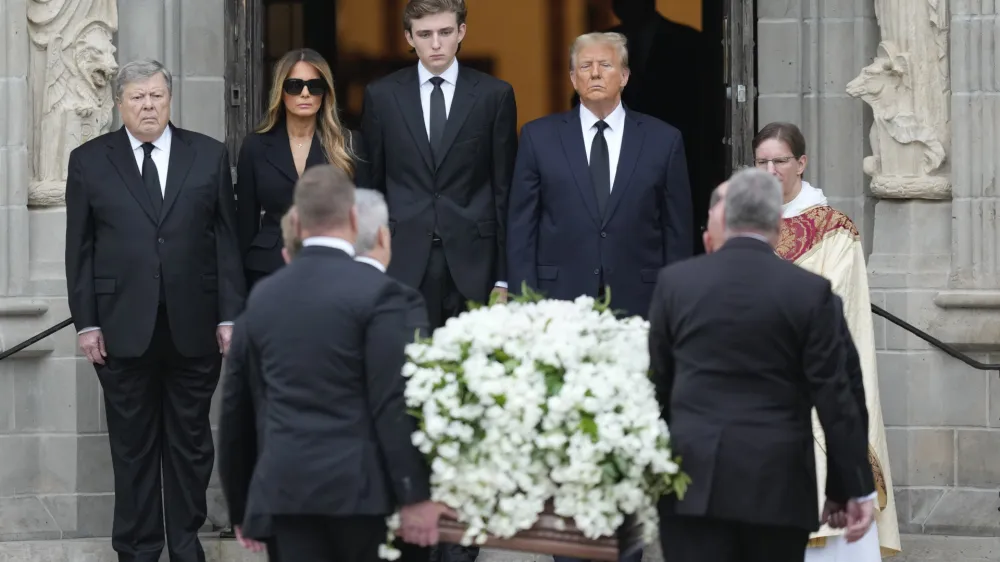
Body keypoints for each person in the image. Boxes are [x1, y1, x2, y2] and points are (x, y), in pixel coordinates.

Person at [218, 164, 452, 562]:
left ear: (296, 221)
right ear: (354, 217)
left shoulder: (262, 298)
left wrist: (243, 507)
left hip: (285, 494)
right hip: (364, 496)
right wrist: (414, 494)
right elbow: (393, 400)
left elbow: (236, 407)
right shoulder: (386, 295)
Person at [64, 59, 245, 562]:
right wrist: (87, 322)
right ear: (119, 103)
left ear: (170, 99)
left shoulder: (208, 155)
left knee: (190, 446)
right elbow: (78, 250)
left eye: (157, 96)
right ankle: (139, 550)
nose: (148, 105)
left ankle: (186, 547)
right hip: (121, 330)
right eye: (138, 97)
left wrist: (229, 316)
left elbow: (227, 245)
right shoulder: (89, 160)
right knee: (133, 448)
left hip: (195, 328)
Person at [647, 168, 875, 562]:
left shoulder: (675, 284)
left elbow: (659, 383)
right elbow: (839, 395)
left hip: (693, 481)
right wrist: (847, 487)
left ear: (726, 218)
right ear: (777, 224)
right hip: (779, 486)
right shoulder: (811, 293)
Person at [753, 122, 900, 561]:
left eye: (780, 160)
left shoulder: (833, 229)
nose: (771, 170)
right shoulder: (742, 224)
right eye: (762, 162)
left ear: (801, 163)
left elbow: (838, 307)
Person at [507, 31, 692, 319]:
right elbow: (522, 227)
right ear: (572, 78)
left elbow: (677, 231)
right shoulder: (538, 137)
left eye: (605, 65)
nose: (595, 74)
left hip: (641, 301)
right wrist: (523, 304)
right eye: (585, 66)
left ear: (624, 76)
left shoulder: (664, 141)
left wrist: (675, 303)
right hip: (556, 302)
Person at [362, 0, 518, 333]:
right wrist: (369, 266)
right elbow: (370, 188)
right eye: (425, 34)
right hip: (402, 258)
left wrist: (505, 275)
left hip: (477, 260)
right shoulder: (381, 96)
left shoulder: (495, 96)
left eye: (445, 32)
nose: (436, 44)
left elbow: (505, 189)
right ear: (408, 37)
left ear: (461, 31)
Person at [236, 48, 369, 290]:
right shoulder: (255, 146)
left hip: (333, 272)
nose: (305, 93)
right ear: (281, 91)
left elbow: (363, 219)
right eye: (295, 85)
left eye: (314, 86)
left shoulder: (349, 144)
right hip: (269, 271)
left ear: (325, 93)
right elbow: (244, 226)